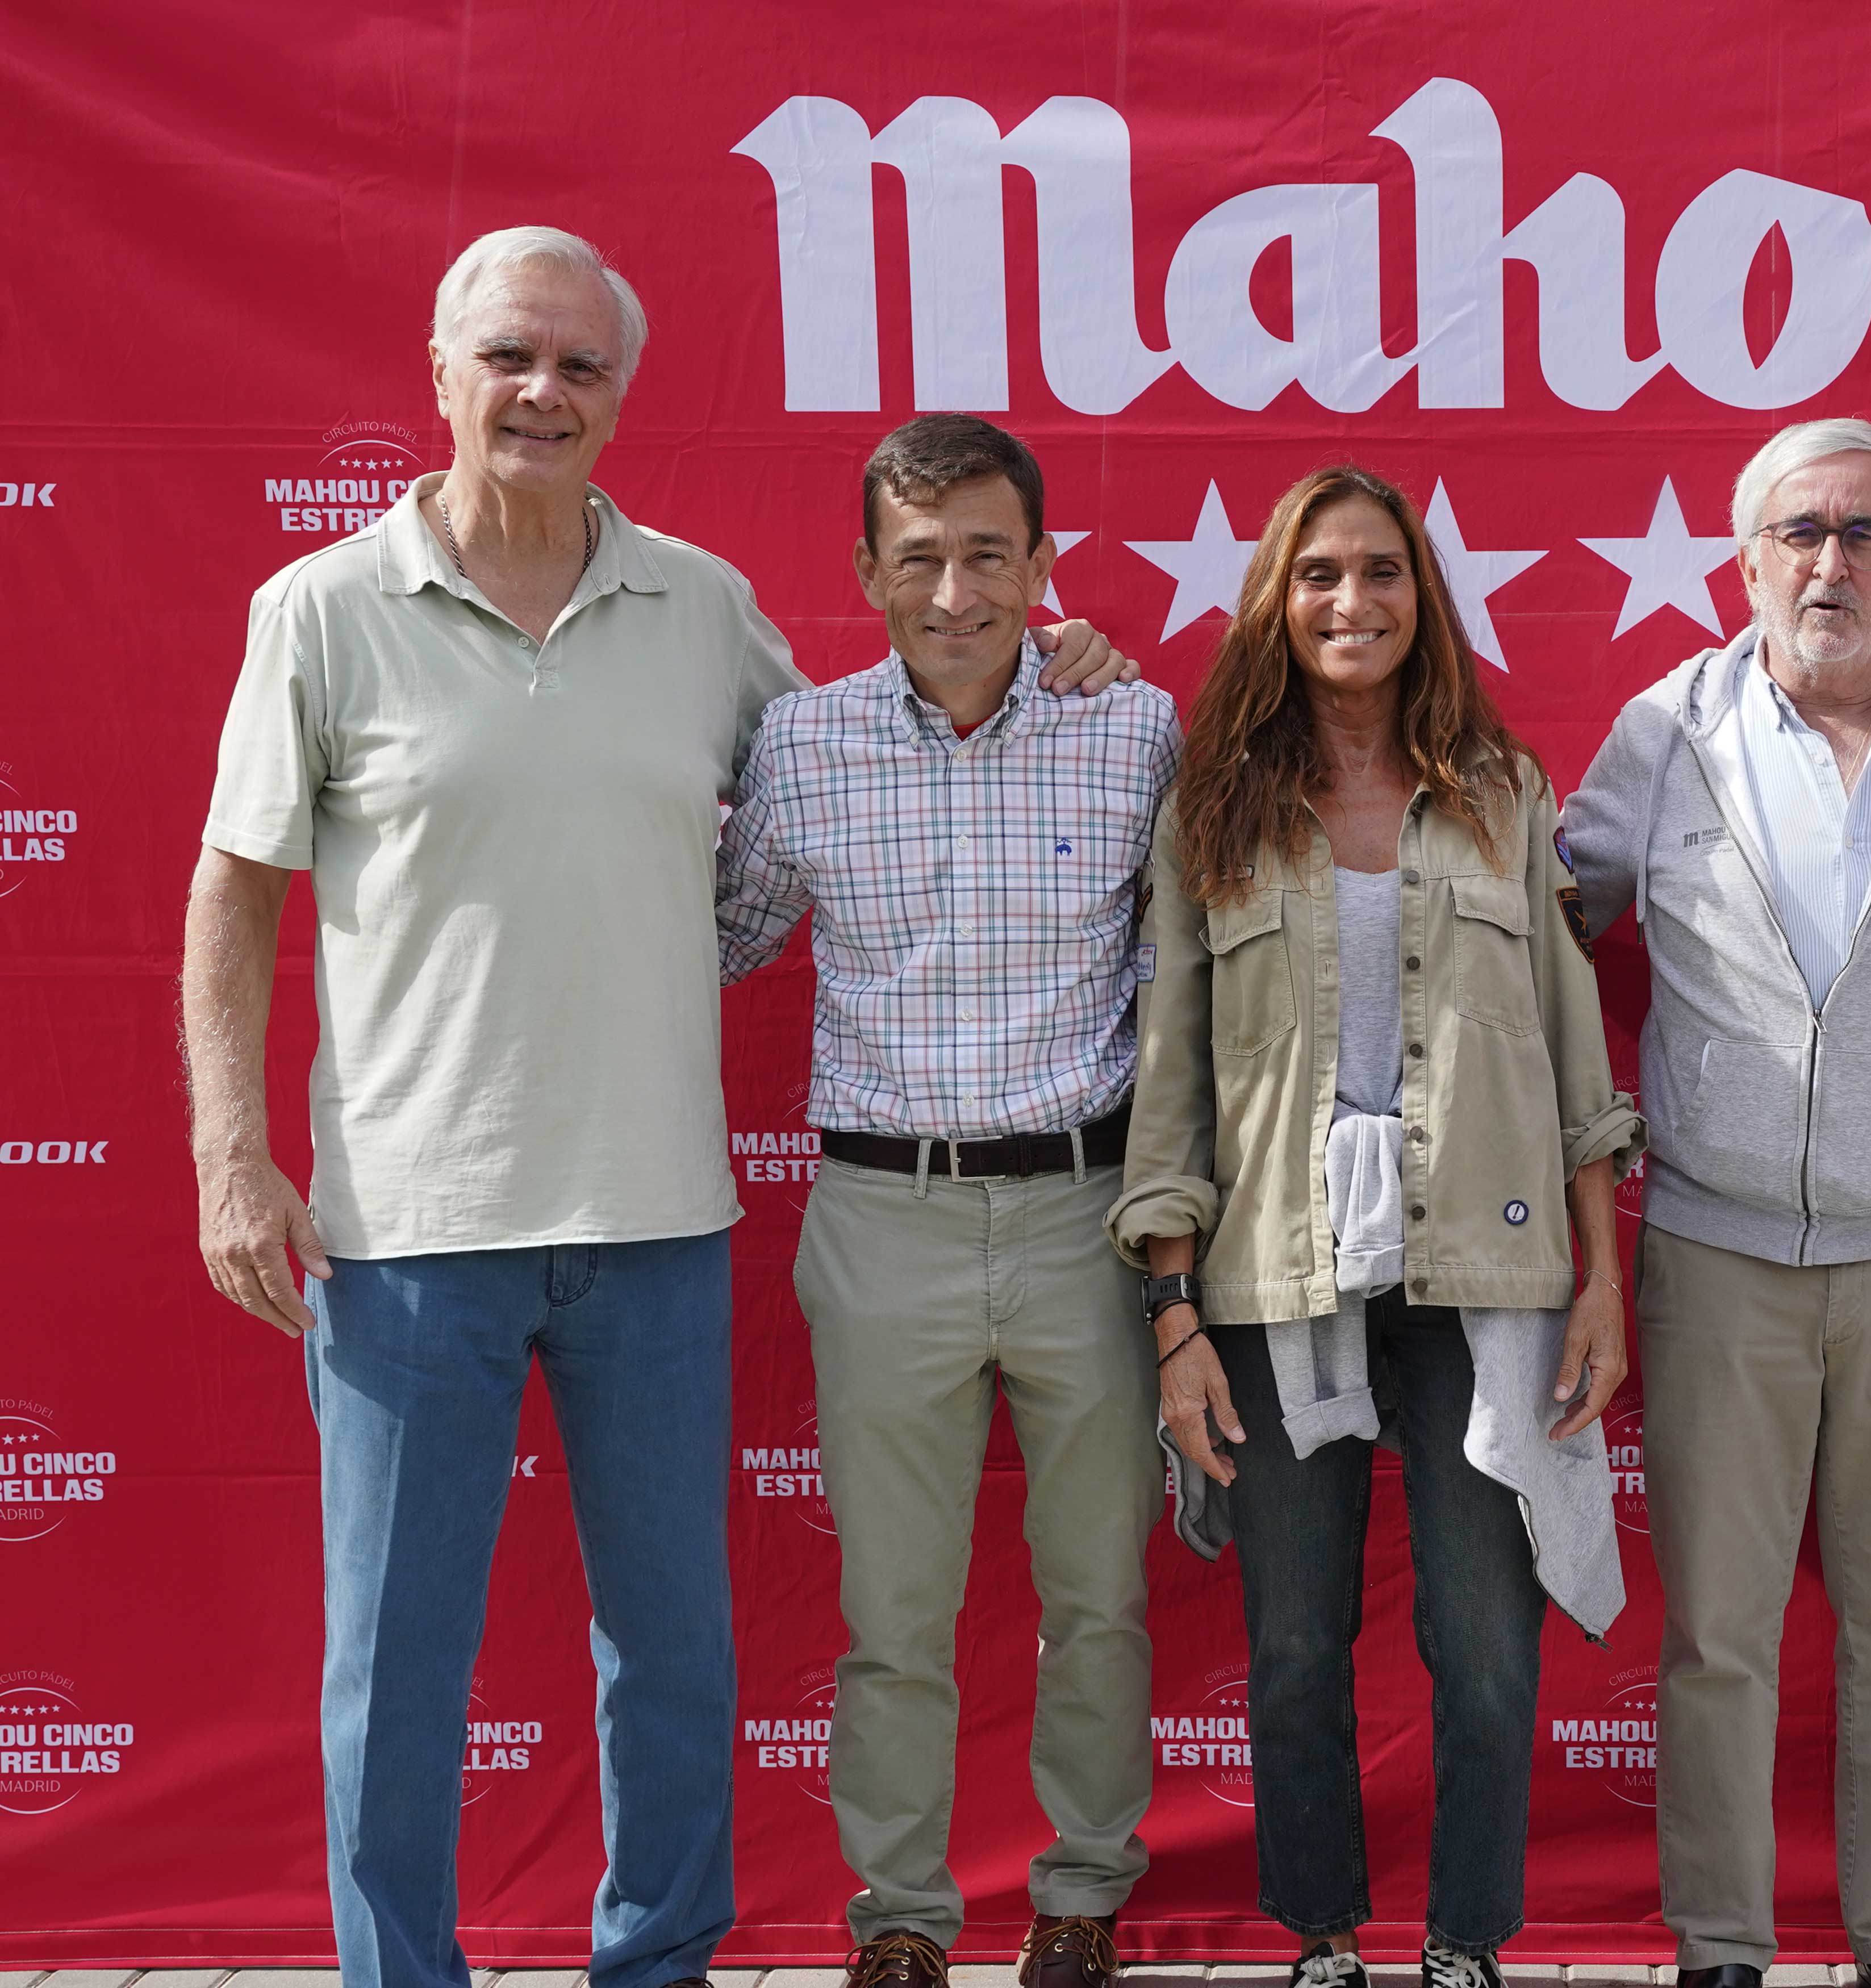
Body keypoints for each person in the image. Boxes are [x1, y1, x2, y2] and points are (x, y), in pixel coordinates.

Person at [181, 229, 1129, 1988]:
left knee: (675, 1653)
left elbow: (888, 731)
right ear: (442, 373)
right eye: (510, 356)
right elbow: (235, 891)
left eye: (581, 365)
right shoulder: (321, 610)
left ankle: (661, 1962)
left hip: (658, 1224)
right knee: (397, 1661)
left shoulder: (700, 609)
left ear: (621, 397)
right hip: (408, 1228)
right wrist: (232, 1154)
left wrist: (1068, 660)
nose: (543, 391)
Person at [1112, 465, 1640, 1988]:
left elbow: (1574, 1050)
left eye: (1384, 570)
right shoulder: (1213, 807)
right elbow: (1173, 1076)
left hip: (1486, 1271)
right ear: (1277, 601)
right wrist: (1173, 1312)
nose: (1355, 600)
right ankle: (1325, 1937)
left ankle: (1466, 1942)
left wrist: (1602, 1279)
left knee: (1485, 1646)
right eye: (1321, 573)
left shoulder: (1502, 790)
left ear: (1424, 596)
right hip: (1274, 1277)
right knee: (1293, 1645)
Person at [1561, 417, 1871, 1988]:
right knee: (1720, 1628)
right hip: (1716, 1248)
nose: (1832, 564)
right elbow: (1545, 927)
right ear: (1747, 559)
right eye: (1801, 532)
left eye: (1864, 533)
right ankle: (1722, 1946)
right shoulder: (1665, 732)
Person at [715, 414, 1173, 1988]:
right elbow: (720, 940)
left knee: (1098, 1595)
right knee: (893, 1610)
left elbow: (1193, 976)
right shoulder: (803, 744)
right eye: (921, 559)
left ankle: (1083, 1895)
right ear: (868, 573)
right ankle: (901, 1918)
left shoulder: (1135, 729)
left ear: (1043, 566)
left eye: (989, 554)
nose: (956, 592)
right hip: (883, 1215)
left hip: (1088, 1213)